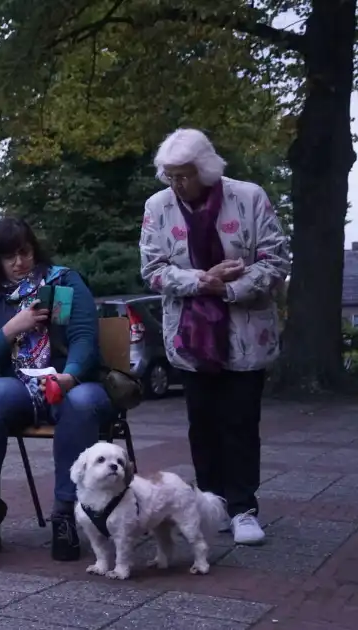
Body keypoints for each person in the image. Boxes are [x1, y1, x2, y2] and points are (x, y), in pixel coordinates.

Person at [140, 128, 290, 546]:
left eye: (184, 175)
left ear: (205, 170)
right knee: (201, 423)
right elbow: (152, 268)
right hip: (190, 336)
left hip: (245, 333)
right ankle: (214, 503)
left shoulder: (249, 197)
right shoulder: (158, 207)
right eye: (170, 176)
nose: (176, 184)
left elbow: (276, 260)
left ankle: (244, 508)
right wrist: (202, 280)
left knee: (241, 421)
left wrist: (227, 288)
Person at [0, 217, 111, 562]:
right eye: (8, 257)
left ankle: (65, 513)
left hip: (70, 384)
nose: (19, 263)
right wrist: (11, 328)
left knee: (82, 400)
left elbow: (83, 339)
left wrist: (71, 375)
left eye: (24, 253)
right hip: (20, 388)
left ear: (34, 250)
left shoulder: (62, 283)